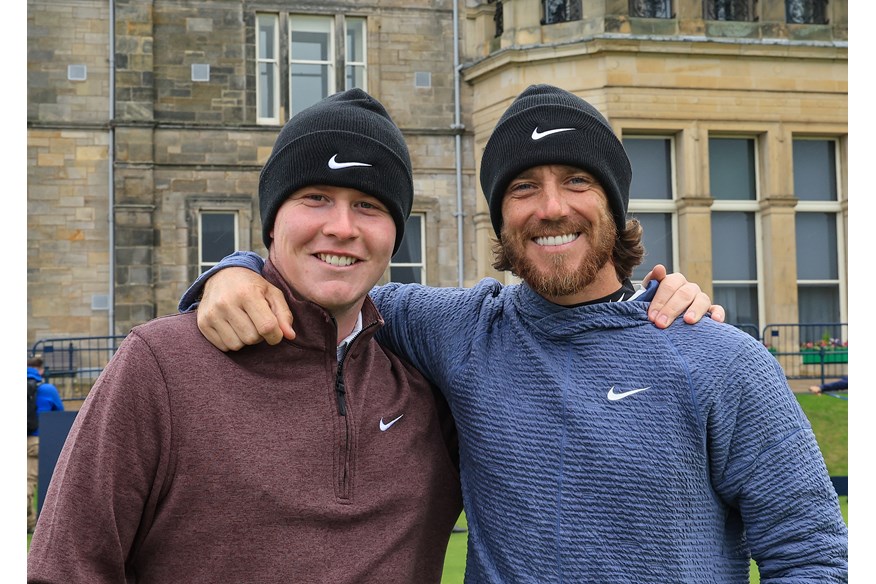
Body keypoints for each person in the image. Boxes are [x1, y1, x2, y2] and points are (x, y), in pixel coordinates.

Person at [186, 85, 848, 581]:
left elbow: (811, 552)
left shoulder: (720, 359)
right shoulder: (456, 329)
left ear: (616, 209)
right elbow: (330, 280)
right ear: (501, 220)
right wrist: (237, 271)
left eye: (577, 181)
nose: (552, 207)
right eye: (524, 187)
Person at [27, 89, 463, 584]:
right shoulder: (159, 365)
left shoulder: (430, 388)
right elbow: (66, 569)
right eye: (316, 197)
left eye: (368, 205)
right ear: (271, 223)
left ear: (394, 234)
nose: (342, 227)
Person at [26, 356, 64, 534]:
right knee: (45, 482)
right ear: (40, 370)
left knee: (27, 481)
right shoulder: (48, 389)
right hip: (39, 440)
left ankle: (30, 522)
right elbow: (60, 414)